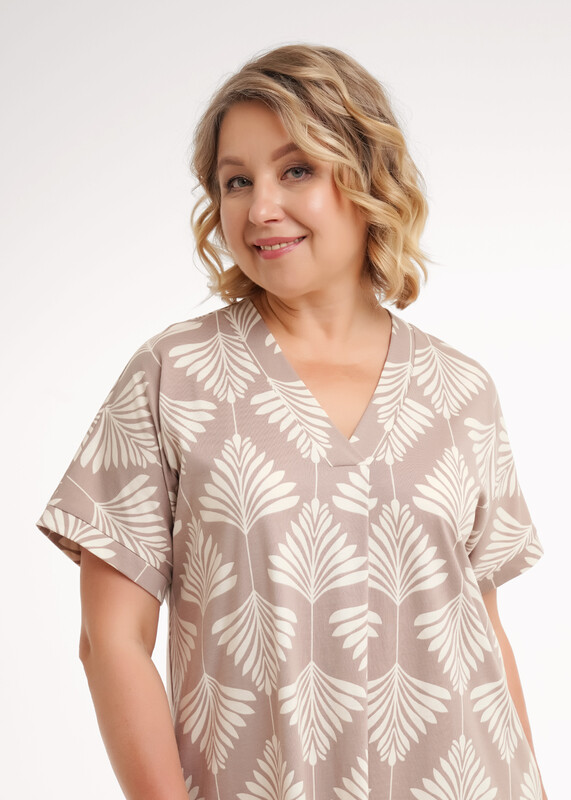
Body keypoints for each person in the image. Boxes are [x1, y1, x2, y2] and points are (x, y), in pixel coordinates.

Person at [37, 44, 547, 800]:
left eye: (296, 170)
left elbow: (482, 631)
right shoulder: (173, 376)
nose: (260, 208)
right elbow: (110, 641)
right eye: (236, 181)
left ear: (368, 176)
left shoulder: (460, 391)